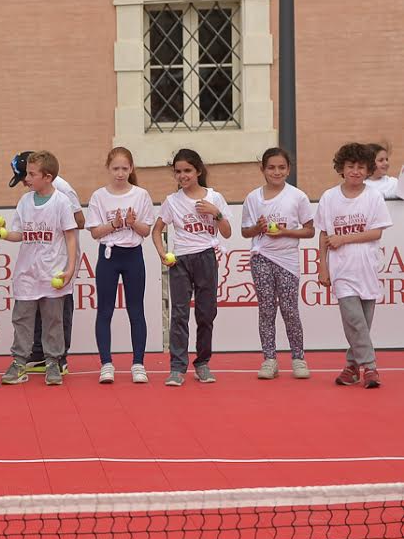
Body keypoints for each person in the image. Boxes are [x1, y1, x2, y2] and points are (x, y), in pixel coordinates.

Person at [152, 149, 231, 387]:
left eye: (187, 170)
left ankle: (202, 363)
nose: (183, 175)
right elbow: (157, 230)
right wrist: (162, 254)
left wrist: (215, 213)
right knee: (179, 314)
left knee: (206, 313)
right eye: (178, 171)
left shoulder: (214, 197)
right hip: (180, 260)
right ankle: (177, 367)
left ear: (198, 171)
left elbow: (227, 232)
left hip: (206, 257)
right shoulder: (172, 201)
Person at [316, 143, 392, 389]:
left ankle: (351, 367)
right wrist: (323, 266)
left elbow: (376, 232)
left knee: (361, 324)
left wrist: (344, 238)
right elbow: (324, 234)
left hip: (367, 269)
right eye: (350, 166)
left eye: (361, 167)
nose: (355, 171)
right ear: (341, 168)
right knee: (355, 320)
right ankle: (370, 367)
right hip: (342, 271)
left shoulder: (373, 196)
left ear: (368, 169)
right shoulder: (329, 197)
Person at [1, 150, 78, 386]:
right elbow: (19, 234)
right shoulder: (25, 202)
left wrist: (70, 269)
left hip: (53, 271)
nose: (27, 178)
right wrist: (2, 234)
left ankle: (53, 361)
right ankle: (19, 361)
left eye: (32, 174)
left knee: (53, 320)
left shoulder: (61, 202)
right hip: (27, 273)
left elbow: (71, 237)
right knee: (22, 318)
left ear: (47, 177)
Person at [242, 148, 315, 380]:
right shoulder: (253, 198)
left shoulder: (298, 197)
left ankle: (298, 358)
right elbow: (245, 231)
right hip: (261, 258)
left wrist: (285, 232)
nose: (277, 172)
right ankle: (269, 360)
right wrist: (258, 228)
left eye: (281, 167)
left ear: (289, 169)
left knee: (290, 310)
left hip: (287, 260)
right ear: (262, 169)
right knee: (266, 309)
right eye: (271, 167)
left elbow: (310, 230)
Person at [85, 147, 155, 384]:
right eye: (116, 168)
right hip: (109, 256)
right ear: (108, 168)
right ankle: (106, 363)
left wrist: (132, 223)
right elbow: (95, 232)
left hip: (133, 255)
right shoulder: (99, 196)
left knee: (136, 310)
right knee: (105, 311)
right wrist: (114, 225)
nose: (120, 173)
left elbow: (146, 230)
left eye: (125, 168)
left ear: (131, 168)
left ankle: (138, 364)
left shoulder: (141, 195)